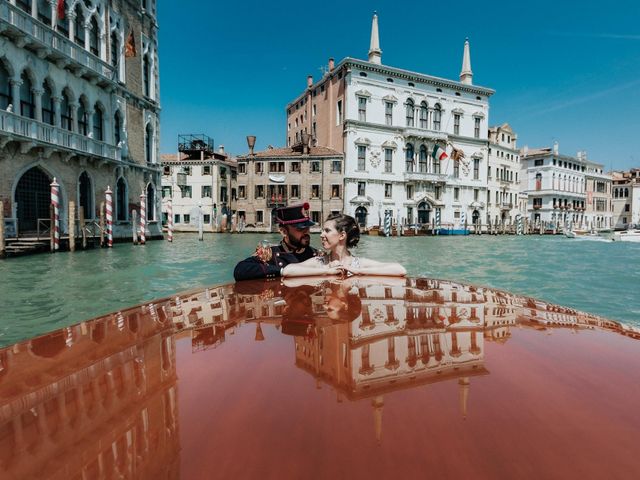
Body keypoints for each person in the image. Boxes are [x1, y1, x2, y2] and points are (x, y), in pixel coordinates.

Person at [282, 213, 406, 278]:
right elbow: (288, 271)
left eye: (327, 231)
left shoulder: (358, 264)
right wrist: (327, 271)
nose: (321, 235)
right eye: (322, 231)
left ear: (342, 235)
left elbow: (399, 269)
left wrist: (358, 271)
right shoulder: (320, 262)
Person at [234, 203, 326, 281]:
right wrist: (282, 271)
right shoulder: (269, 254)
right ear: (283, 232)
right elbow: (240, 270)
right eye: (300, 229)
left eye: (307, 228)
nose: (306, 232)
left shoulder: (316, 254)